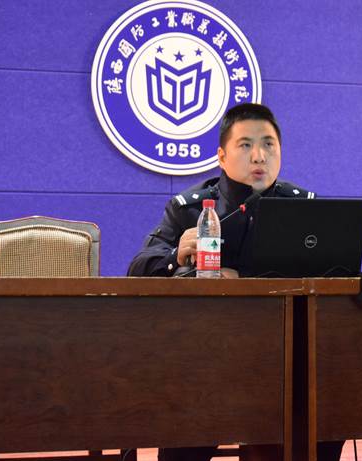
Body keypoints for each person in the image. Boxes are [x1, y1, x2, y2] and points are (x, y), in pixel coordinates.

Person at [127, 103, 344, 460]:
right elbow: (138, 267)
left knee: (329, 401)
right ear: (221, 156)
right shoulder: (190, 209)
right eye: (245, 145)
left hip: (285, 361)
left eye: (269, 144)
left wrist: (242, 279)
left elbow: (334, 273)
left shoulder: (305, 208)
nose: (259, 156)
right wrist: (175, 256)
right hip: (205, 361)